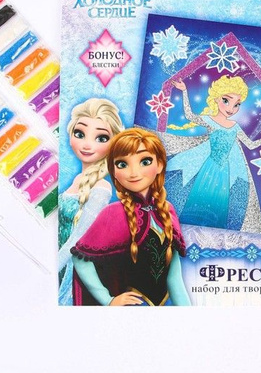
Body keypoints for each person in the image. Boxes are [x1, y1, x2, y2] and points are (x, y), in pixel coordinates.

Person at [71, 128, 191, 306]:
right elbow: (80, 257)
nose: (133, 172)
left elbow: (174, 276)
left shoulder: (167, 210)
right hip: (130, 308)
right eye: (122, 164)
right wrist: (108, 300)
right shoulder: (113, 213)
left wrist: (188, 312)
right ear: (114, 171)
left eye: (145, 161)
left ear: (159, 165)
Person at [166, 75, 261, 233]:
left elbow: (250, 144)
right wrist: (185, 91)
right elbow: (190, 115)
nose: (231, 108)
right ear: (216, 98)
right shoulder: (209, 120)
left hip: (225, 172)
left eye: (237, 104)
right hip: (209, 167)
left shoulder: (235, 126)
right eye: (226, 100)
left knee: (219, 206)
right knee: (199, 199)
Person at [57, 98, 124, 305]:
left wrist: (52, 265)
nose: (87, 144)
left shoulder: (101, 188)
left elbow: (79, 239)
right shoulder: (77, 179)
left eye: (101, 138)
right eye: (80, 134)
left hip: (70, 268)